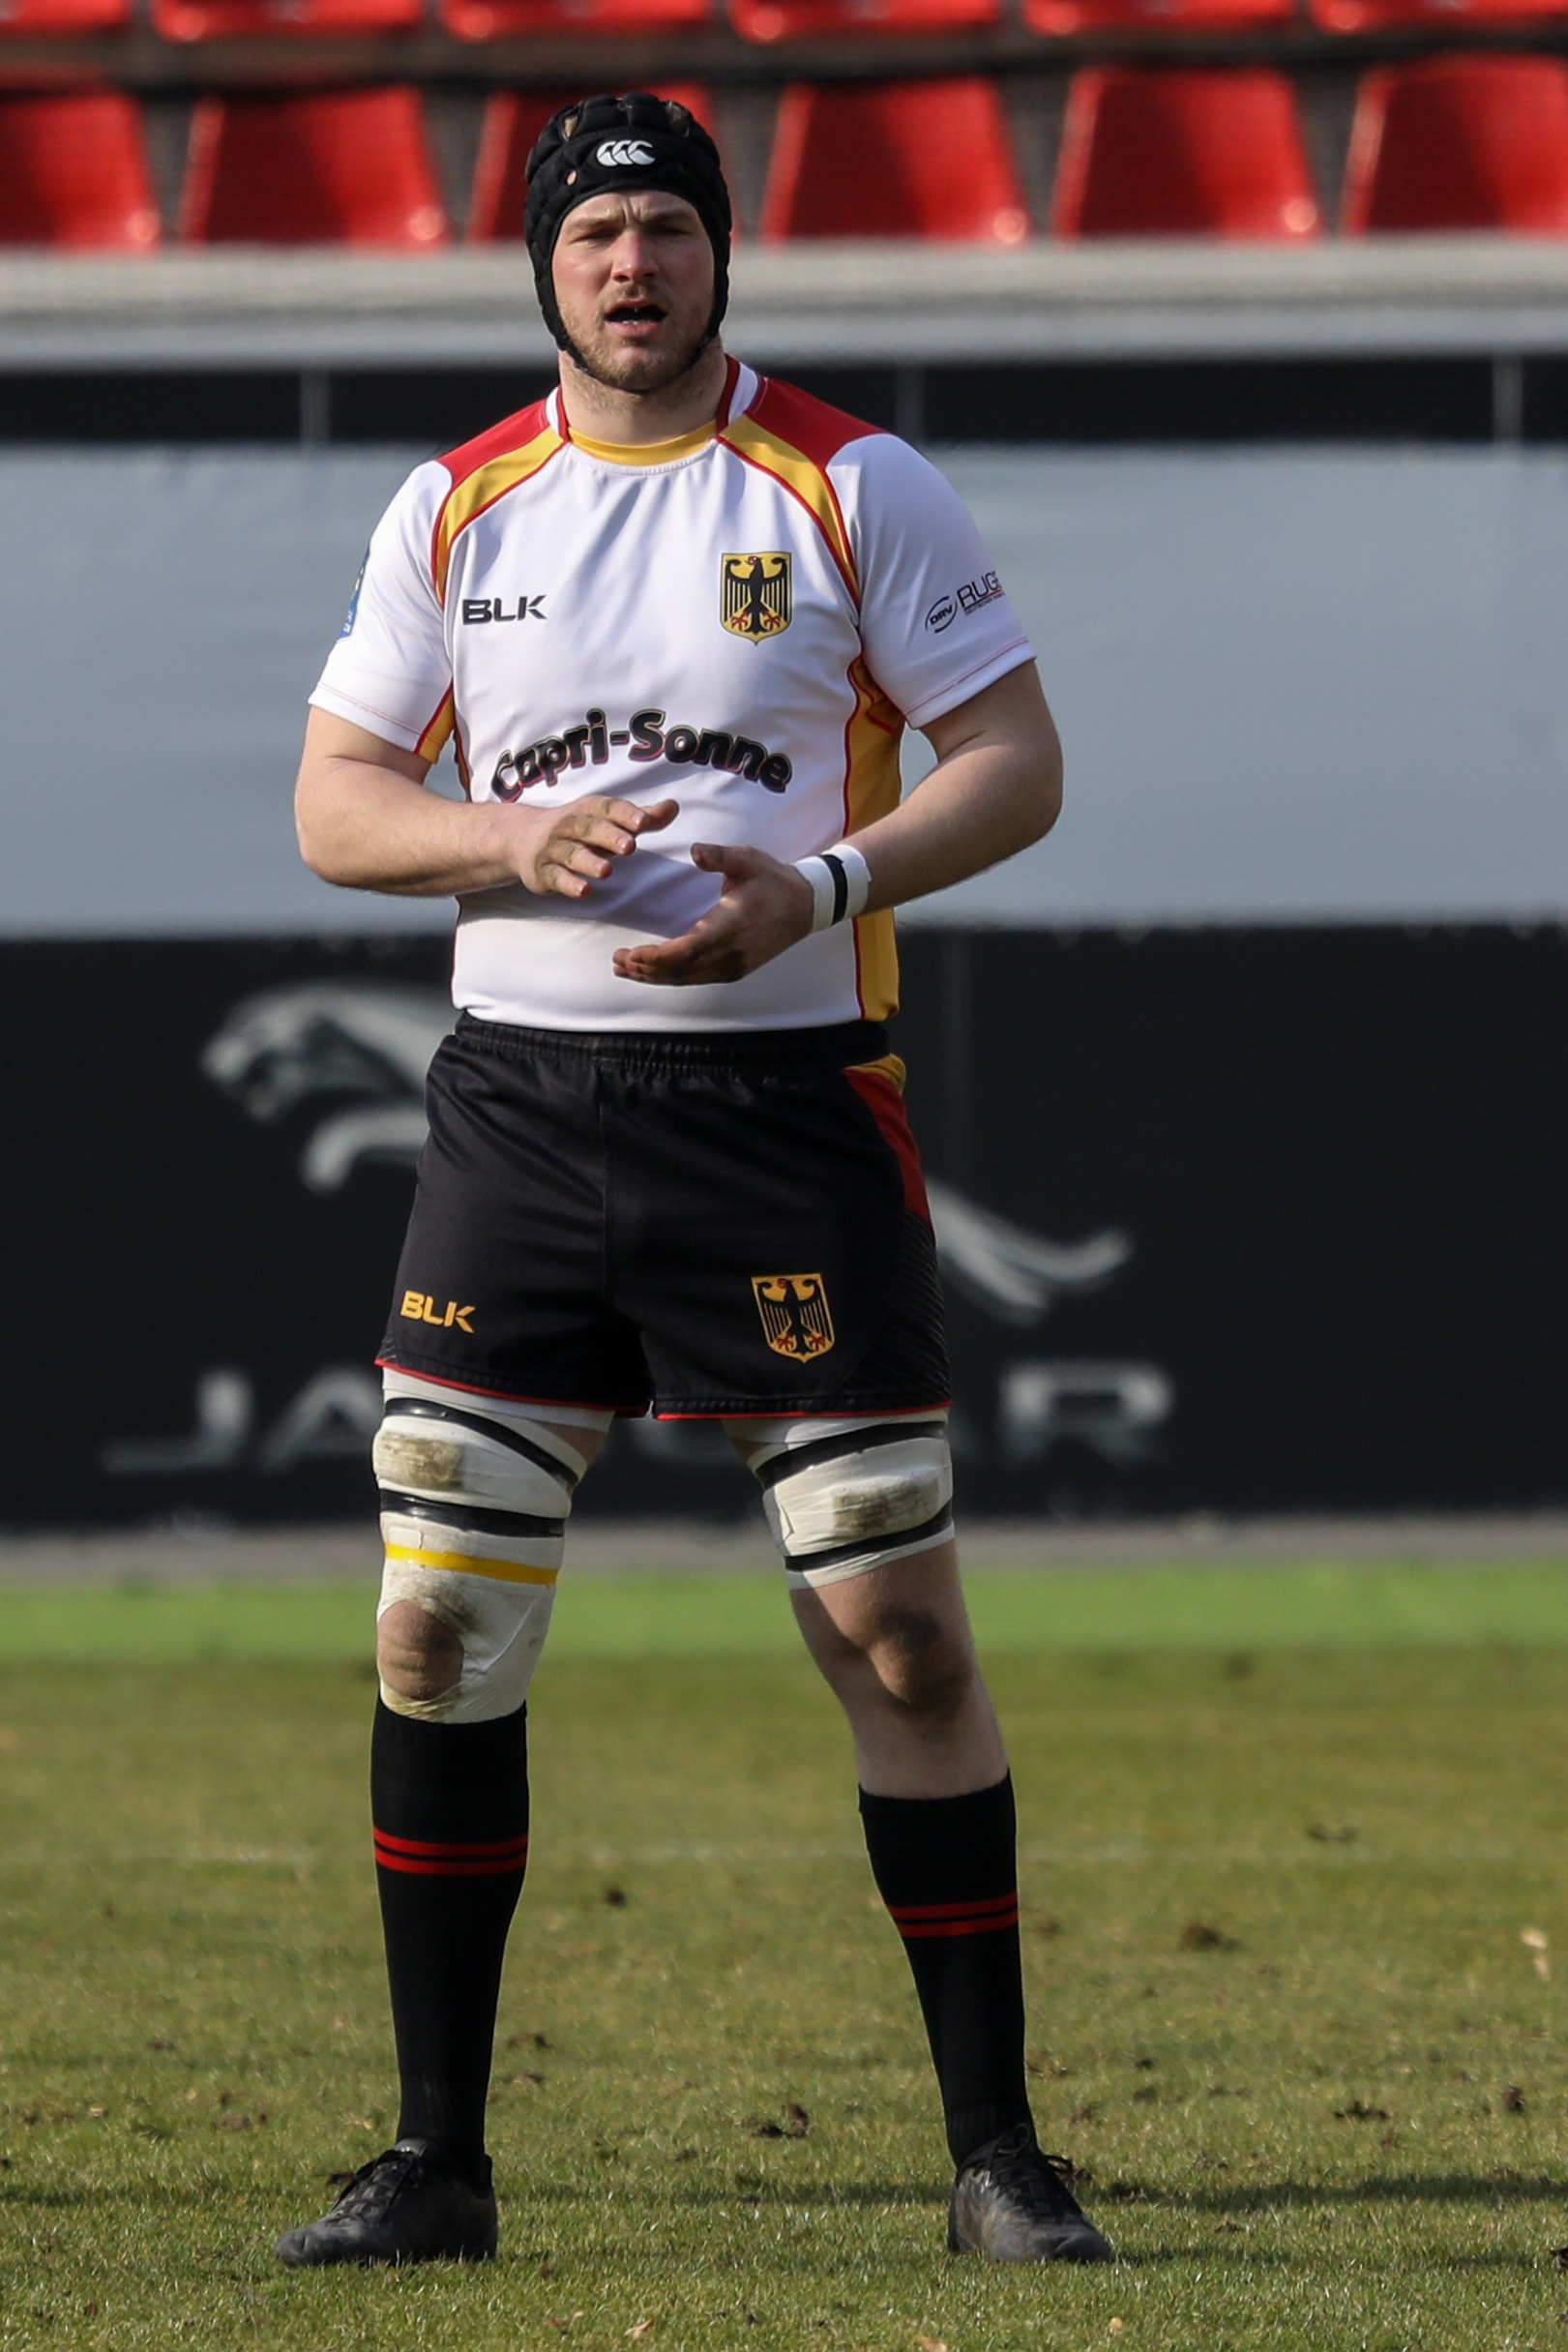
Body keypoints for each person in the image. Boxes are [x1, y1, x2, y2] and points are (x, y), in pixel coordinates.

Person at [275, 88, 1109, 2273]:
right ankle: (437, 2164)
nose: (629, 265)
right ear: (541, 272)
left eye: (662, 227)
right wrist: (499, 836)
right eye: (591, 236)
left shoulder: (854, 482)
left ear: (721, 253)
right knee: (436, 1624)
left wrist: (818, 884)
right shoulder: (456, 503)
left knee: (898, 1636)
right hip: (520, 1120)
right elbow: (337, 804)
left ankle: (997, 2159)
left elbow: (1014, 762)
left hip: (786, 1116)